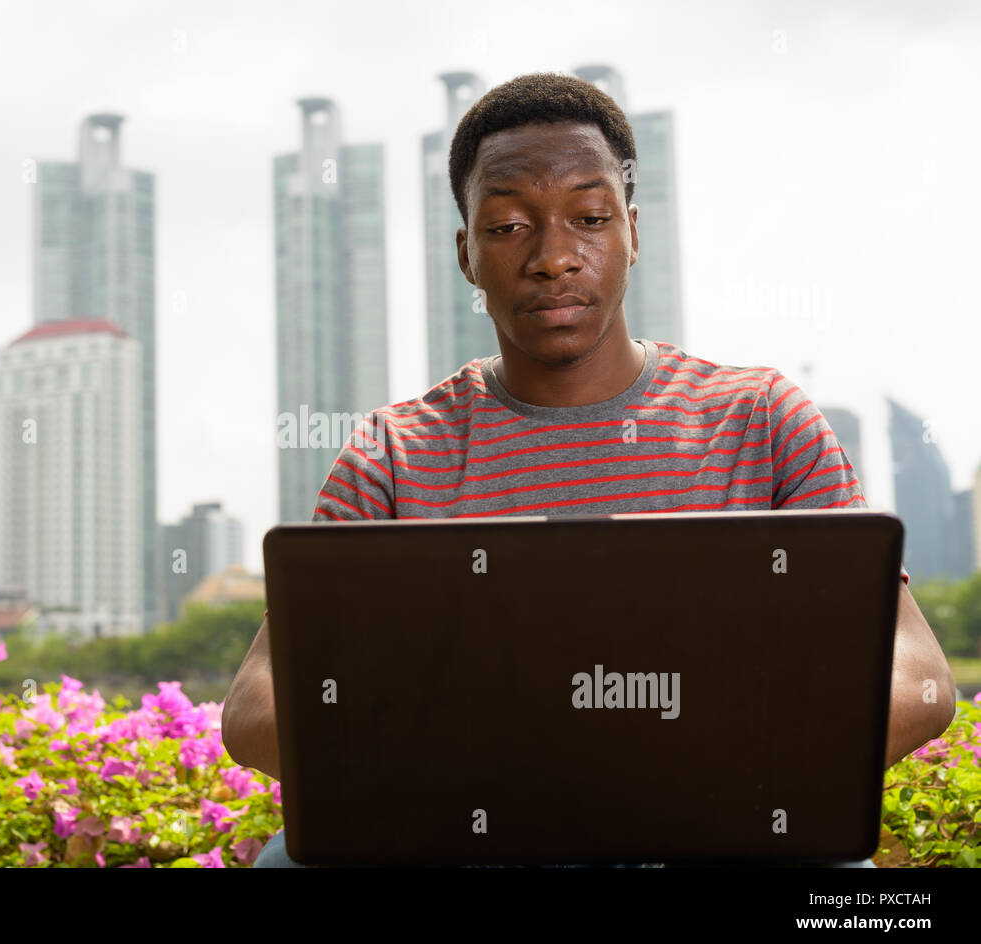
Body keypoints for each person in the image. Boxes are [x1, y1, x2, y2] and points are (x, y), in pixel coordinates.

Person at [221, 71, 955, 869]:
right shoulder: (393, 452)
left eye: (590, 217)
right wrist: (484, 762)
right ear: (466, 252)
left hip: (717, 826)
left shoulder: (762, 418)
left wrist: (717, 758)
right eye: (507, 226)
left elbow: (917, 675)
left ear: (633, 232)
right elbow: (257, 705)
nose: (554, 257)